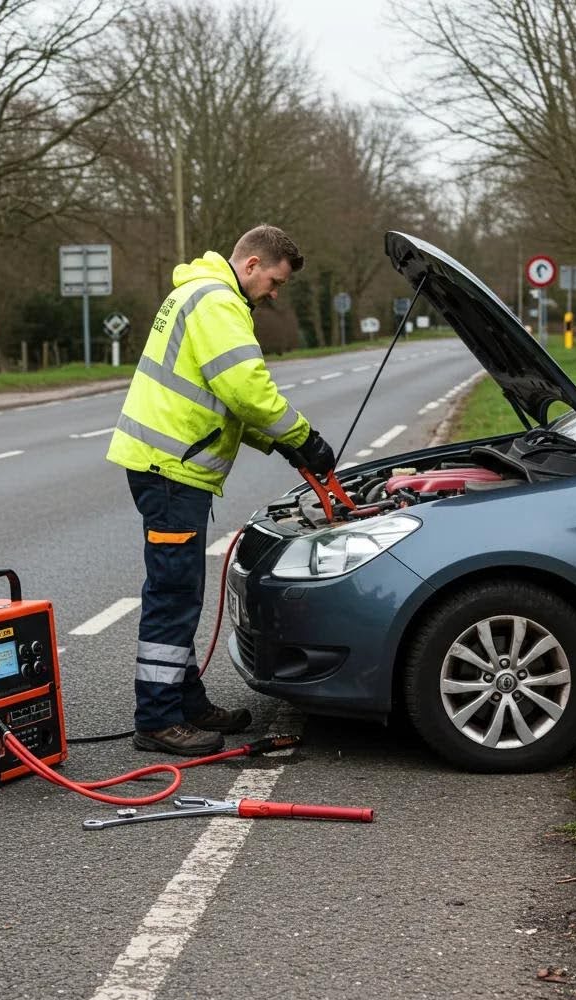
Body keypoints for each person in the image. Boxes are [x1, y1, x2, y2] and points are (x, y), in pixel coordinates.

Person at [106, 224, 335, 756]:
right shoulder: (217, 302)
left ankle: (186, 703)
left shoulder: (203, 293)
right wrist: (303, 438)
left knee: (180, 591)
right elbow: (247, 390)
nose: (274, 294)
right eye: (274, 281)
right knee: (172, 595)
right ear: (252, 264)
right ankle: (157, 719)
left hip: (171, 468)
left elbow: (224, 399)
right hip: (170, 469)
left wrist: (279, 445)